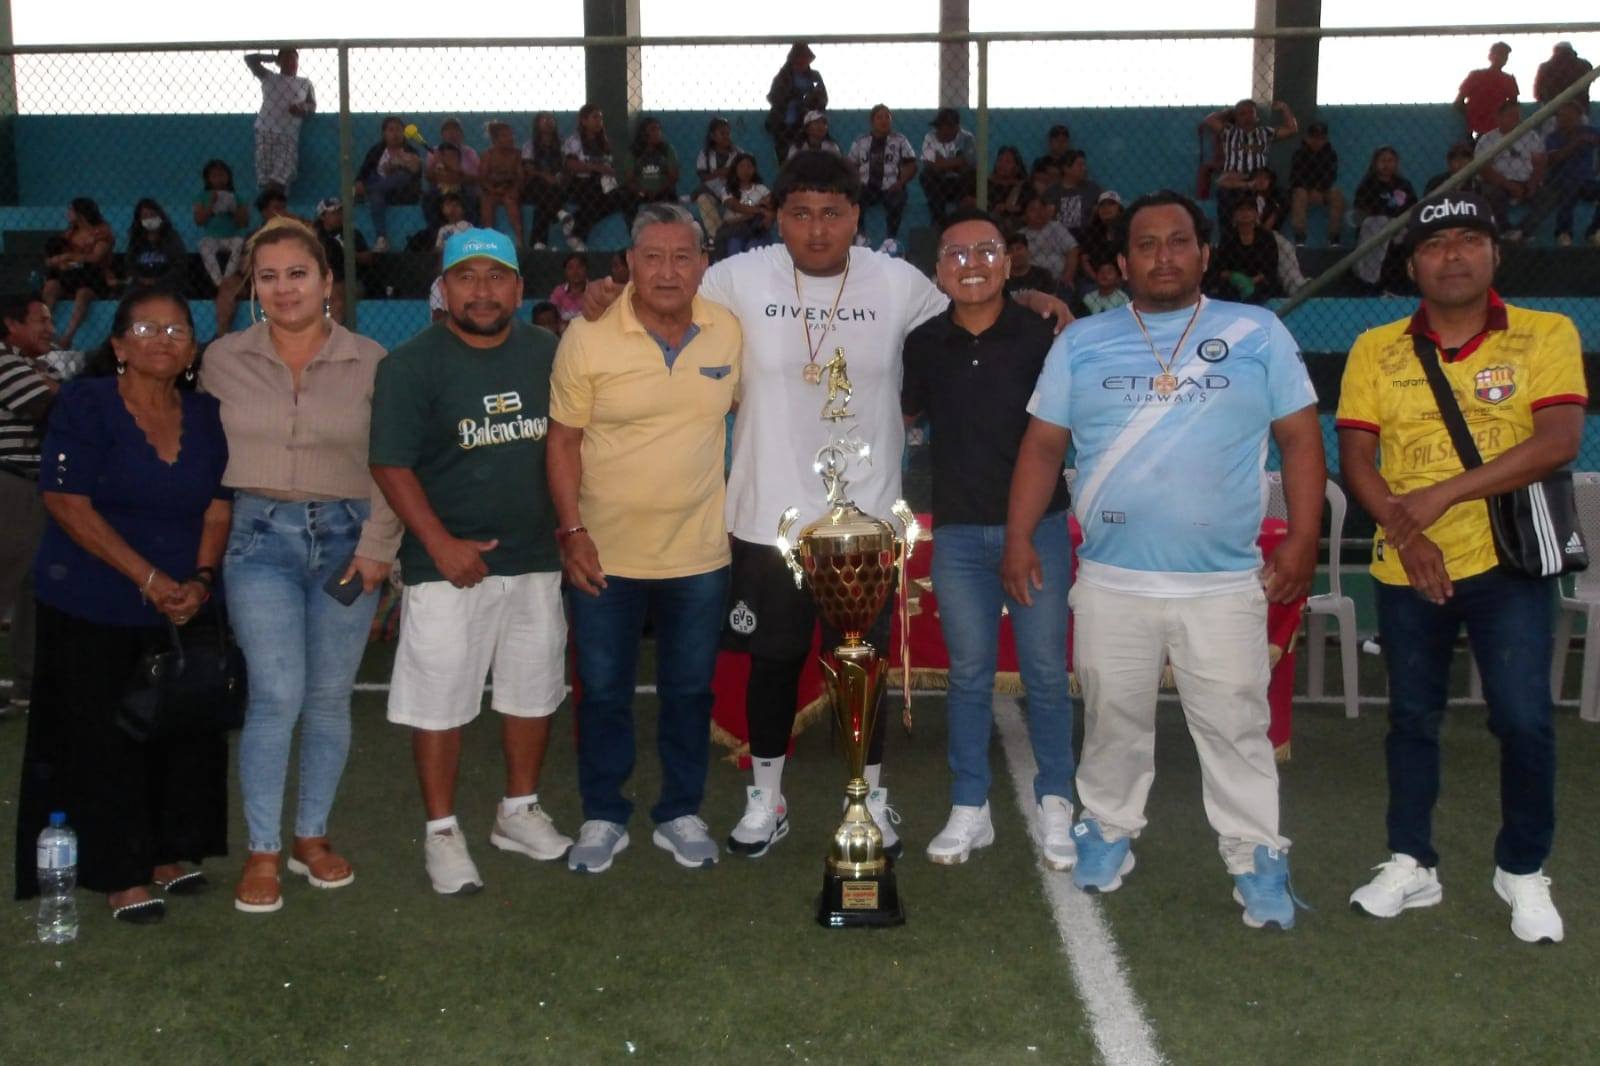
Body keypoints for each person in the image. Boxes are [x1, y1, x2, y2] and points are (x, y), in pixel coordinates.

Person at [577, 151, 1069, 861]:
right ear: (777, 218)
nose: (816, 228)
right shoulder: (737, 277)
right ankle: (766, 800)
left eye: (832, 213)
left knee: (860, 663)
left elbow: (974, 301)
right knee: (774, 661)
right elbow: (663, 290)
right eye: (801, 213)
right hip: (769, 518)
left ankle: (868, 799)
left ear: (855, 218)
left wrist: (1035, 301)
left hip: (865, 523)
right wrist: (607, 295)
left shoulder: (896, 281)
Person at [1004, 190, 1323, 930]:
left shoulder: (1258, 331)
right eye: (1145, 245)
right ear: (1121, 263)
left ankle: (1256, 851)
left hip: (1222, 582)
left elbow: (1301, 439)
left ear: (1204, 254)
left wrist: (1304, 537)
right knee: (1113, 718)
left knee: (1236, 724)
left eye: (1179, 241)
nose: (1163, 256)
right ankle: (1108, 828)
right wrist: (1018, 535)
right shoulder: (1082, 343)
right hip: (1113, 580)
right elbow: (1043, 447)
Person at [1336, 190, 1582, 945]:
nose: (1454, 256)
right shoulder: (1375, 347)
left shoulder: (1546, 332)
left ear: (1495, 255)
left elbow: (1558, 441)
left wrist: (1443, 494)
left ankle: (1522, 868)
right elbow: (1357, 458)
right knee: (1411, 718)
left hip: (1510, 563)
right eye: (1437, 246)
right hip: (1408, 564)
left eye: (1471, 241)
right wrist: (1408, 534)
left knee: (1524, 719)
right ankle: (1412, 862)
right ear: (1413, 265)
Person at [200, 216, 401, 915]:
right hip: (259, 542)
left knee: (328, 697)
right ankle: (262, 848)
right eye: (268, 276)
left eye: (297, 274)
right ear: (252, 287)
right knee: (277, 693)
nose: (284, 288)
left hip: (348, 541)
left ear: (325, 282)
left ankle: (310, 836)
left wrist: (378, 547)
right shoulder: (222, 359)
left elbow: (391, 461)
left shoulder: (372, 360)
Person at [14, 287, 231, 924]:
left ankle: (168, 852)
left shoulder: (207, 413)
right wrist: (149, 579)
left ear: (192, 349)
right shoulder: (85, 404)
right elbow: (65, 501)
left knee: (181, 729)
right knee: (101, 739)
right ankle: (118, 871)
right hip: (92, 600)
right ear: (117, 346)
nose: (163, 340)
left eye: (177, 330)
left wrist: (199, 580)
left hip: (182, 603)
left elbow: (218, 505)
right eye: (146, 329)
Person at [370, 228, 571, 896]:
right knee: (440, 700)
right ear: (444, 287)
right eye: (466, 277)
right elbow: (390, 463)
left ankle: (518, 811)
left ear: (519, 287)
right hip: (447, 567)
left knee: (533, 688)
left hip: (534, 557)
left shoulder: (548, 353)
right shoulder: (410, 364)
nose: (482, 291)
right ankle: (441, 832)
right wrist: (439, 543)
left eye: (496, 277)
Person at [548, 204, 741, 874]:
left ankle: (680, 811)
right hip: (605, 554)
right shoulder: (588, 336)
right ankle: (603, 813)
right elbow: (562, 442)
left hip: (699, 555)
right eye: (652, 257)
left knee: (689, 691)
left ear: (703, 265)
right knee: (603, 692)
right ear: (628, 264)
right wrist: (572, 532)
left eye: (682, 256)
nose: (667, 271)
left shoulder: (728, 332)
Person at [902, 209, 1076, 869]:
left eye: (985, 251)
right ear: (938, 270)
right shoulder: (923, 343)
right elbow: (906, 417)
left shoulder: (1042, 335)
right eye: (955, 254)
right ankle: (969, 806)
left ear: (1008, 261)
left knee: (1045, 674)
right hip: (956, 533)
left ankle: (1057, 803)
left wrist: (1023, 534)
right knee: (969, 674)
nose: (970, 264)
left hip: (1040, 531)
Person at [0, 293, 61, 717]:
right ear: (12, 324)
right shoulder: (5, 363)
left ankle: (27, 684)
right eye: (41, 320)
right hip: (10, 484)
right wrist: (57, 390)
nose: (50, 329)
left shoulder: (38, 366)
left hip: (31, 487)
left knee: (31, 587)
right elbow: (51, 407)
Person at [40, 197, 115, 350]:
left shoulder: (101, 232)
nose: (68, 213)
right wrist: (59, 260)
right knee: (51, 285)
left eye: (71, 210)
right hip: (71, 275)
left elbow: (95, 257)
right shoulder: (70, 233)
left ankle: (67, 337)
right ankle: (44, 328)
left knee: (83, 293)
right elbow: (56, 255)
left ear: (80, 213)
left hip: (93, 277)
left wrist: (70, 256)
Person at [1524, 101, 1600, 246]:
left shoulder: (1589, 131)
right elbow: (1553, 159)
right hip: (1561, 180)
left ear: (1579, 118)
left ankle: (1595, 231)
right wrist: (1574, 143)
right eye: (1561, 116)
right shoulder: (1553, 137)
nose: (1564, 120)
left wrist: (1592, 140)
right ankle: (1564, 232)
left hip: (1586, 181)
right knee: (1569, 188)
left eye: (1570, 117)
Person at [846, 105, 917, 256]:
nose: (884, 121)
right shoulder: (861, 141)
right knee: (853, 198)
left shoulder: (900, 140)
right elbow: (851, 164)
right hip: (866, 186)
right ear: (872, 121)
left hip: (891, 185)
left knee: (897, 200)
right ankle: (860, 236)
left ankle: (890, 240)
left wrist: (900, 183)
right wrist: (856, 181)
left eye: (887, 117)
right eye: (879, 117)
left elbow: (911, 164)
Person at [1203, 99, 1298, 204]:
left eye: (1251, 112)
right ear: (1236, 118)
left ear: (1256, 115)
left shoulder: (1264, 132)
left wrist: (1284, 108)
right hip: (1234, 179)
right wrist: (1228, 112)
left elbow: (1292, 129)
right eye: (1242, 114)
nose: (1247, 117)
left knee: (1280, 195)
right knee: (1225, 189)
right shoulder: (1229, 132)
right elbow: (1209, 120)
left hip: (1257, 178)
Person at [1474, 100, 1547, 237]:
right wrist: (1508, 185)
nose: (1516, 119)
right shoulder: (1487, 139)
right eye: (1511, 115)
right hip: (1500, 183)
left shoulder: (1531, 136)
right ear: (1499, 118)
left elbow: (1540, 163)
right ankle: (1506, 230)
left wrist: (1532, 183)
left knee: (1547, 198)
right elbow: (1484, 170)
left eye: (1518, 116)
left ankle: (1523, 232)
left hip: (1526, 181)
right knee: (1492, 195)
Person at [246, 48, 314, 194]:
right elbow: (250, 59)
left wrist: (302, 109)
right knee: (266, 176)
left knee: (283, 174)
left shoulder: (305, 82)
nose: (291, 62)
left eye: (294, 59)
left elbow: (312, 105)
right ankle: (270, 202)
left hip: (289, 134)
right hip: (266, 130)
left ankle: (271, 200)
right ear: (279, 62)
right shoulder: (269, 77)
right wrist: (272, 58)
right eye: (286, 59)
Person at [562, 103, 626, 252]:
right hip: (580, 182)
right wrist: (596, 168)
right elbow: (571, 165)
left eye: (601, 118)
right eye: (595, 117)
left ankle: (575, 221)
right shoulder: (574, 141)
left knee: (621, 197)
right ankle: (577, 234)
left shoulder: (603, 141)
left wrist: (609, 171)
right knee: (595, 197)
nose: (599, 121)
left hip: (602, 183)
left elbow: (608, 164)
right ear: (584, 120)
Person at [1353, 146, 1418, 292]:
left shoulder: (1404, 185)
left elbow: (1413, 208)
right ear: (1375, 163)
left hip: (1400, 227)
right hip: (1376, 229)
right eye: (1382, 160)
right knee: (1379, 223)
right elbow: (1362, 213)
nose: (1386, 164)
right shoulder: (1367, 185)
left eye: (1390, 160)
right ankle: (1371, 281)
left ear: (1396, 163)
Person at [355, 116, 423, 252]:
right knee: (375, 189)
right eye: (391, 130)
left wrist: (397, 165)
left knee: (401, 176)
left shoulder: (410, 151)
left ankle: (369, 191)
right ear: (384, 133)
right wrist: (359, 183)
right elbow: (363, 172)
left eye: (399, 130)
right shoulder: (376, 150)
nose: (395, 134)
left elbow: (415, 171)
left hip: (402, 193)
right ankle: (382, 239)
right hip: (380, 192)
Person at [313, 198, 373, 326]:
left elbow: (368, 258)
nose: (339, 216)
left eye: (340, 212)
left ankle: (330, 332)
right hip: (322, 280)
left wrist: (350, 254)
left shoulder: (351, 233)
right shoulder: (315, 236)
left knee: (337, 299)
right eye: (334, 213)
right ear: (322, 216)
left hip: (351, 280)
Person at [765, 43, 828, 165]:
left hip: (807, 123)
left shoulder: (815, 76)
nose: (802, 62)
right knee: (786, 160)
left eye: (805, 59)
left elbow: (823, 98)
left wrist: (811, 99)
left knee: (809, 158)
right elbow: (773, 97)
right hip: (785, 124)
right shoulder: (783, 76)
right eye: (799, 59)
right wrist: (792, 96)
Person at [1207, 199, 1280, 304]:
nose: (1245, 213)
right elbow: (1220, 268)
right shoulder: (1228, 237)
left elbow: (1271, 267)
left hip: (1260, 282)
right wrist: (1235, 277)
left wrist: (1252, 281)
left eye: (1249, 210)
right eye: (1241, 210)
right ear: (1235, 215)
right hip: (1233, 283)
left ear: (1256, 214)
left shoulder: (1266, 237)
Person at [194, 159, 250, 291]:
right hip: (212, 238)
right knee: (203, 245)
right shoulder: (202, 196)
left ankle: (227, 278)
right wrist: (211, 204)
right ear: (208, 179)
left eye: (222, 175)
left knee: (239, 243)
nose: (218, 179)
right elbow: (199, 221)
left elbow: (244, 223)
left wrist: (233, 209)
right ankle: (218, 281)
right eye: (214, 176)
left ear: (228, 177)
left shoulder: (237, 196)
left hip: (232, 237)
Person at [1288, 121, 1345, 246]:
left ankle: (1334, 237)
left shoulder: (1330, 154)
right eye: (1314, 137)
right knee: (1299, 194)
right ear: (1307, 138)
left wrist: (1318, 189)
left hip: (1323, 190)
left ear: (1325, 139)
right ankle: (1300, 236)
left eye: (1321, 138)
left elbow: (1331, 175)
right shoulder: (1299, 153)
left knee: (1337, 195)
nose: (1317, 141)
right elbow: (1296, 177)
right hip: (1304, 189)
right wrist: (1311, 190)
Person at [919, 108, 978, 226]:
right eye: (939, 127)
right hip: (939, 183)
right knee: (926, 175)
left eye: (944, 128)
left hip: (960, 182)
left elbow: (969, 163)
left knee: (972, 174)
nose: (939, 131)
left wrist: (941, 163)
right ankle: (939, 219)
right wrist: (956, 162)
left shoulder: (967, 138)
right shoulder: (930, 137)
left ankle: (963, 213)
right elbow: (929, 164)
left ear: (955, 128)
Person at [692, 117, 744, 245]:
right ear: (713, 136)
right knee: (703, 198)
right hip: (712, 191)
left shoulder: (738, 153)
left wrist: (730, 174)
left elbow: (745, 175)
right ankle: (716, 236)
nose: (726, 136)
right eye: (722, 133)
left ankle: (732, 235)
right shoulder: (705, 154)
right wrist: (720, 173)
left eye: (728, 133)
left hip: (733, 190)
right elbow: (703, 177)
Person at [622, 116, 681, 227]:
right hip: (640, 192)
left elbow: (674, 176)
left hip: (663, 190)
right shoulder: (634, 152)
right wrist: (642, 191)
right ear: (643, 133)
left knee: (671, 197)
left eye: (659, 129)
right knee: (627, 199)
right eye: (653, 129)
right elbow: (629, 179)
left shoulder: (667, 150)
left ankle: (670, 228)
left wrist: (660, 190)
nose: (657, 132)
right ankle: (633, 230)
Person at [422, 118, 480, 231]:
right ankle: (437, 232)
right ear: (442, 135)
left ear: (461, 134)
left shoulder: (470, 152)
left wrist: (456, 174)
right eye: (447, 130)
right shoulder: (435, 151)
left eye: (455, 130)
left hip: (463, 187)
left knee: (472, 198)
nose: (451, 133)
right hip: (440, 187)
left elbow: (475, 178)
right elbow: (429, 177)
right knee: (428, 197)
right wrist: (436, 163)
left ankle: (470, 231)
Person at [521, 113, 568, 250]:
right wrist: (545, 175)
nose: (548, 122)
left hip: (556, 186)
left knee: (542, 204)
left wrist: (561, 176)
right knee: (541, 186)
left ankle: (538, 243)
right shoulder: (530, 145)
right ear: (537, 124)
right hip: (536, 185)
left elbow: (566, 167)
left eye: (551, 119)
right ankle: (558, 210)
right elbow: (529, 169)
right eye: (544, 119)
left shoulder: (562, 144)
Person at [715, 153, 773, 259]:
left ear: (754, 169)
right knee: (734, 249)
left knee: (753, 249)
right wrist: (759, 209)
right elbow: (735, 206)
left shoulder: (762, 189)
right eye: (741, 166)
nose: (745, 170)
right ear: (735, 169)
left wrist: (757, 214)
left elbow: (770, 209)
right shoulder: (728, 190)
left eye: (749, 166)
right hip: (735, 230)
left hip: (757, 230)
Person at [1455, 42, 1519, 139]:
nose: (1502, 58)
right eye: (1499, 54)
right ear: (1490, 56)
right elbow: (1459, 102)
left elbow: (1513, 105)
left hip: (1496, 130)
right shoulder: (1476, 75)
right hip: (1477, 129)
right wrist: (1473, 114)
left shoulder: (1509, 80)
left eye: (1504, 55)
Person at [124, 199, 188, 293]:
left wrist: (158, 281)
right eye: (145, 216)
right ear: (139, 220)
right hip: (140, 285)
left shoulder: (171, 237)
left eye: (152, 215)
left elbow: (179, 265)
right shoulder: (136, 240)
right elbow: (130, 265)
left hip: (167, 284)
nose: (149, 219)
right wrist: (141, 280)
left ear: (160, 216)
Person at [1018, 195, 1079, 289]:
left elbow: (1073, 250)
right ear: (1024, 215)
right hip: (1031, 283)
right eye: (1033, 210)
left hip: (1058, 280)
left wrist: (1068, 275)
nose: (1039, 213)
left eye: (1041, 208)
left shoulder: (1056, 227)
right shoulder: (1020, 235)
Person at [478, 121, 524, 246]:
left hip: (510, 189)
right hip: (492, 190)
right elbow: (482, 178)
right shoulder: (488, 155)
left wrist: (514, 189)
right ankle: (488, 238)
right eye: (505, 136)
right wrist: (493, 190)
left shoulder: (517, 154)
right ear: (495, 140)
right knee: (486, 202)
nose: (510, 138)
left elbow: (520, 177)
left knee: (510, 201)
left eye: (511, 135)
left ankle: (519, 239)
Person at [1074, 191, 1124, 290]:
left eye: (1111, 204)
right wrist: (1097, 279)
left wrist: (1121, 279)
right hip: (1094, 280)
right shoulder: (1091, 232)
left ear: (1119, 209)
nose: (1106, 208)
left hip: (1123, 280)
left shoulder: (1128, 231)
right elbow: (1085, 261)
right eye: (1102, 205)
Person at [1053, 150, 1103, 237]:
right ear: (1066, 168)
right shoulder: (1052, 193)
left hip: (1089, 236)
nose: (1085, 169)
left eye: (1084, 165)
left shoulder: (1093, 188)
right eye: (1080, 165)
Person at [1535, 42, 1592, 116]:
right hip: (1579, 109)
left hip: (1551, 111)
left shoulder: (1545, 68)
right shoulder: (1585, 65)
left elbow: (1538, 92)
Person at [986, 146, 1034, 232]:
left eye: (1008, 162)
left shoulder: (1024, 186)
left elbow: (1030, 208)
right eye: (1000, 160)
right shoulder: (986, 183)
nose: (1002, 165)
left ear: (1016, 167)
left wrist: (1009, 208)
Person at [1003, 232, 1057, 297]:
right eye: (1010, 250)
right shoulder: (1001, 279)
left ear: (1028, 251)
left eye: (1019, 248)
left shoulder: (1043, 275)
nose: (1015, 254)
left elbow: (1051, 301)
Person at [549, 253, 589, 322]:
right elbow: (551, 315)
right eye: (571, 268)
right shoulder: (558, 292)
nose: (575, 271)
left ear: (586, 269)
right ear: (565, 271)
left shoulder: (595, 290)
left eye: (579, 267)